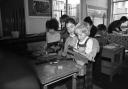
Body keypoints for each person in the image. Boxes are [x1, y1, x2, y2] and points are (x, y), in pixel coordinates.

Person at [74, 22, 99, 89]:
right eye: (78, 35)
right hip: (79, 60)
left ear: (86, 33)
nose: (79, 37)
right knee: (79, 76)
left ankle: (89, 87)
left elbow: (88, 51)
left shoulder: (89, 40)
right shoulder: (78, 39)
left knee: (88, 77)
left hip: (87, 62)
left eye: (81, 35)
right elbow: (76, 47)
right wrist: (75, 50)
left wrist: (82, 51)